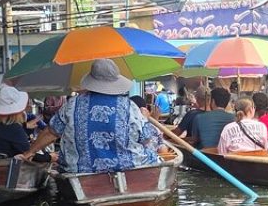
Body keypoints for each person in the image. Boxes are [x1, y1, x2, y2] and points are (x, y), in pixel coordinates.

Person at [17, 58, 160, 173]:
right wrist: (146, 120)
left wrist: (30, 152)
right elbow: (146, 138)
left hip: (79, 170)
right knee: (153, 147)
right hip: (126, 167)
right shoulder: (129, 106)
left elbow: (51, 132)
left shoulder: (72, 105)